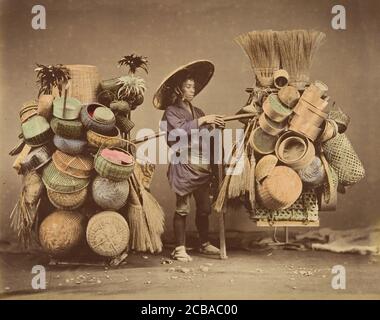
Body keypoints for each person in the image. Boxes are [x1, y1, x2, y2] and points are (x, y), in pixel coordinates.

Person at [153, 60, 225, 262]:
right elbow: (176, 135)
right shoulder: (171, 112)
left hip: (202, 167)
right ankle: (179, 248)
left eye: (194, 86)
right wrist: (202, 121)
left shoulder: (199, 112)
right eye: (188, 86)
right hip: (184, 166)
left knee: (204, 209)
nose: (193, 90)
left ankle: (203, 243)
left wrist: (215, 127)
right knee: (182, 208)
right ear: (179, 89)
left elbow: (206, 136)